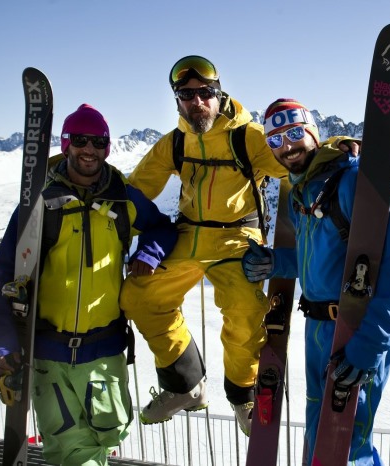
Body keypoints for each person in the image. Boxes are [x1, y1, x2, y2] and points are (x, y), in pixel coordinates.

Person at [0, 104, 177, 466]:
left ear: (107, 147)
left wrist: (149, 252)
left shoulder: (123, 197)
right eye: (81, 140)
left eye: (99, 141)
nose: (89, 149)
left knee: (111, 432)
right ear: (66, 143)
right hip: (48, 354)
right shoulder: (40, 202)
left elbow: (163, 227)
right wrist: (0, 340)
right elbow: (7, 272)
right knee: (69, 452)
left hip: (104, 352)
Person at [241, 98, 390, 465]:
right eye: (275, 140)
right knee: (320, 436)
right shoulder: (303, 190)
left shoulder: (353, 180)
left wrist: (368, 345)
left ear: (312, 132)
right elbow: (321, 262)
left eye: (294, 133)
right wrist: (275, 262)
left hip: (357, 329)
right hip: (319, 331)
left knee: (348, 444)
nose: (287, 146)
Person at [118, 55, 290, 434]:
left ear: (219, 93)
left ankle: (243, 394)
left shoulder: (250, 137)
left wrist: (338, 148)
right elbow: (134, 191)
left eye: (205, 93)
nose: (197, 101)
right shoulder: (175, 143)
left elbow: (296, 159)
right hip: (189, 235)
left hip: (236, 239)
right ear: (177, 100)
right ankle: (185, 384)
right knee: (139, 296)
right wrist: (84, 183)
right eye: (186, 94)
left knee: (244, 310)